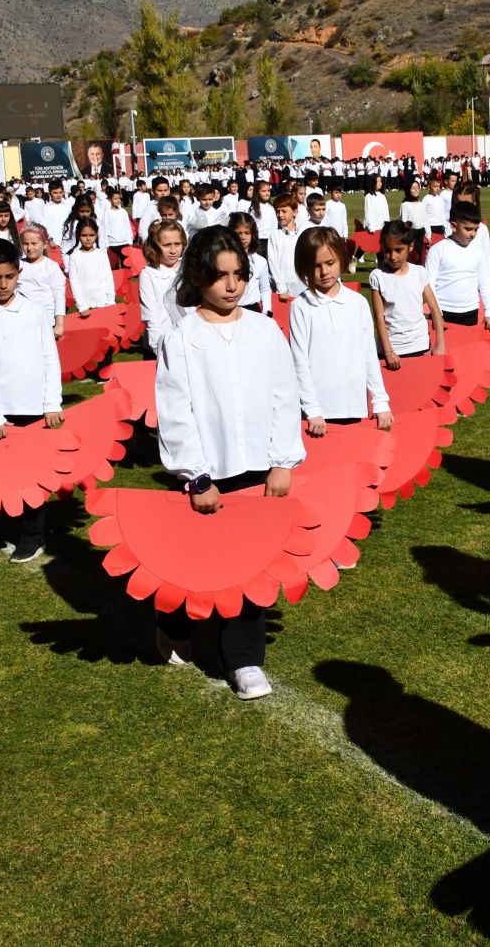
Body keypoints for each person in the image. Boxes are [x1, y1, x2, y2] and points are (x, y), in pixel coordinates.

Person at [153, 226, 304, 702]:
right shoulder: (181, 339)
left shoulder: (264, 330)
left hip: (259, 470)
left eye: (240, 274)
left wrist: (282, 461)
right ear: (198, 277)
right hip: (207, 476)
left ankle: (243, 660)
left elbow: (285, 396)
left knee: (249, 569)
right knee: (196, 566)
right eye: (221, 276)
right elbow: (176, 415)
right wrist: (196, 476)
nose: (232, 286)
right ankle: (174, 624)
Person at [0, 237, 64, 563]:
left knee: (31, 477)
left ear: (18, 272)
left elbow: (50, 358)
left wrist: (52, 402)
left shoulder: (35, 311)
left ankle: (32, 536)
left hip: (34, 409)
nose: (3, 284)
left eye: (9, 276)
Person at [288, 226, 392, 436]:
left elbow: (369, 354)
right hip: (318, 412)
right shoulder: (300, 306)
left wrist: (380, 400)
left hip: (353, 403)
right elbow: (299, 361)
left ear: (342, 260)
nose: (324, 272)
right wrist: (312, 409)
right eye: (316, 266)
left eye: (330, 263)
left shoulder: (358, 303)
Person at [369, 222, 446, 369]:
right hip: (392, 350)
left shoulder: (419, 272)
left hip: (420, 344)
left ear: (410, 247)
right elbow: (379, 317)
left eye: (398, 250)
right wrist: (388, 351)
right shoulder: (377, 276)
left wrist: (440, 344)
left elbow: (434, 309)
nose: (392, 256)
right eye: (387, 251)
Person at [425, 201, 490, 329]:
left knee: (469, 349)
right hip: (443, 312)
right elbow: (429, 284)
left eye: (476, 230)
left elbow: (484, 282)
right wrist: (437, 313)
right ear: (453, 226)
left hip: (470, 313)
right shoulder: (437, 250)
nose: (473, 234)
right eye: (468, 229)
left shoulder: (477, 252)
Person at [139, 219, 188, 358]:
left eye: (177, 244)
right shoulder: (149, 274)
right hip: (159, 345)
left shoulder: (188, 269)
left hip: (187, 342)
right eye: (167, 245)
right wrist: (158, 349)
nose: (173, 250)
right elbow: (150, 315)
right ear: (155, 246)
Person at [67, 215, 114, 320]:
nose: (88, 238)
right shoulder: (74, 256)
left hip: (104, 303)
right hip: (85, 306)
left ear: (97, 235)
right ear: (78, 235)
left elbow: (108, 278)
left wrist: (110, 301)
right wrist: (81, 305)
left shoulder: (101, 254)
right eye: (84, 235)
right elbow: (74, 282)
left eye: (91, 235)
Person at [229, 214, 274, 315]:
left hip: (253, 310)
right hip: (231, 309)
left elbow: (265, 289)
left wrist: (267, 310)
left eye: (247, 233)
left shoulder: (260, 261)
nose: (243, 237)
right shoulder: (226, 261)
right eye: (239, 233)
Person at [267, 195, 305, 300]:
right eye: (277, 212)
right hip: (283, 288)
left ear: (295, 212)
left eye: (284, 211)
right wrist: (281, 288)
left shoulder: (303, 234)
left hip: (303, 285)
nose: (280, 215)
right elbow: (273, 263)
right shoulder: (275, 236)